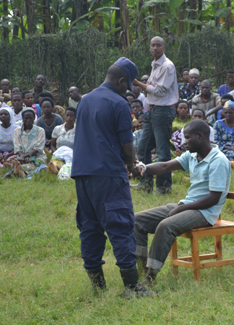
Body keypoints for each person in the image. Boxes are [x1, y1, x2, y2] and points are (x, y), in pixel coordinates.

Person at [71, 57, 152, 298]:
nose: (126, 91)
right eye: (126, 86)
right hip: (107, 174)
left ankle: (98, 287)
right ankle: (132, 287)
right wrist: (132, 165)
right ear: (120, 81)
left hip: (82, 174)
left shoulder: (84, 101)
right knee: (120, 224)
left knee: (90, 226)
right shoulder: (118, 103)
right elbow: (127, 146)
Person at [133, 119, 231, 286]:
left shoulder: (218, 161)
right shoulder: (193, 155)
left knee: (166, 226)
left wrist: (181, 209)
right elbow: (164, 166)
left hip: (205, 212)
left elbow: (213, 198)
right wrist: (145, 167)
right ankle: (141, 270)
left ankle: (150, 278)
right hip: (187, 205)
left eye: (187, 138)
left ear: (200, 136)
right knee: (137, 220)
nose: (184, 142)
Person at [133, 36, 179, 194]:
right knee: (143, 148)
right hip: (152, 111)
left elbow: (160, 90)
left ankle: (163, 187)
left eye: (158, 45)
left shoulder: (167, 66)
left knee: (162, 151)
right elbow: (153, 87)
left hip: (163, 110)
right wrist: (146, 86)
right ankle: (146, 184)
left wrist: (139, 84)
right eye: (152, 45)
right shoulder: (155, 65)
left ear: (164, 47)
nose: (155, 48)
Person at [12, 108, 47, 178]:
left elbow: (37, 148)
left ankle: (19, 171)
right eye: (26, 118)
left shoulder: (40, 131)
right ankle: (20, 170)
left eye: (31, 118)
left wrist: (24, 156)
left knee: (37, 162)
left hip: (37, 156)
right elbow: (17, 147)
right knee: (16, 161)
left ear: (34, 118)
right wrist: (22, 157)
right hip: (22, 157)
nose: (28, 120)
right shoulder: (17, 131)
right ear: (22, 118)